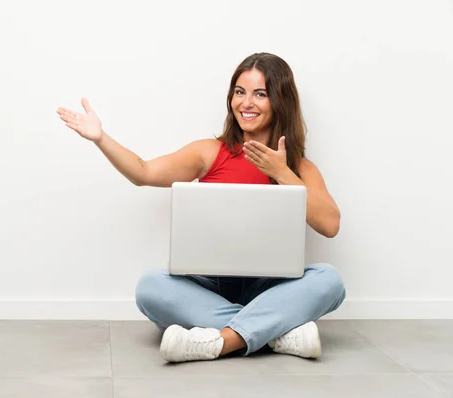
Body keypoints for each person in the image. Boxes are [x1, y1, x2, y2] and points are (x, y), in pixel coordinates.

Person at [57, 52, 346, 363]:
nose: (246, 103)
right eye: (239, 92)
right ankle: (276, 333)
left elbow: (330, 225)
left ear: (280, 101)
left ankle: (222, 340)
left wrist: (282, 173)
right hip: (209, 285)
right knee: (151, 287)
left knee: (329, 281)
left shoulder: (300, 168)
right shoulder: (210, 152)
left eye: (260, 94)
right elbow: (143, 172)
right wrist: (101, 138)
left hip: (270, 286)